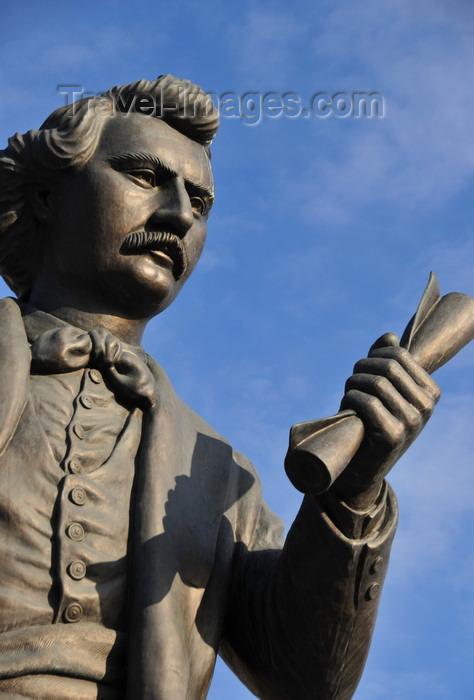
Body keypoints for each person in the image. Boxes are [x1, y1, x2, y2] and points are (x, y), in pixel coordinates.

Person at [0, 75, 440, 700]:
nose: (178, 215)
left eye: (200, 203)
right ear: (47, 194)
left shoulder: (218, 475)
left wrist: (356, 490)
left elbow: (306, 678)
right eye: (145, 176)